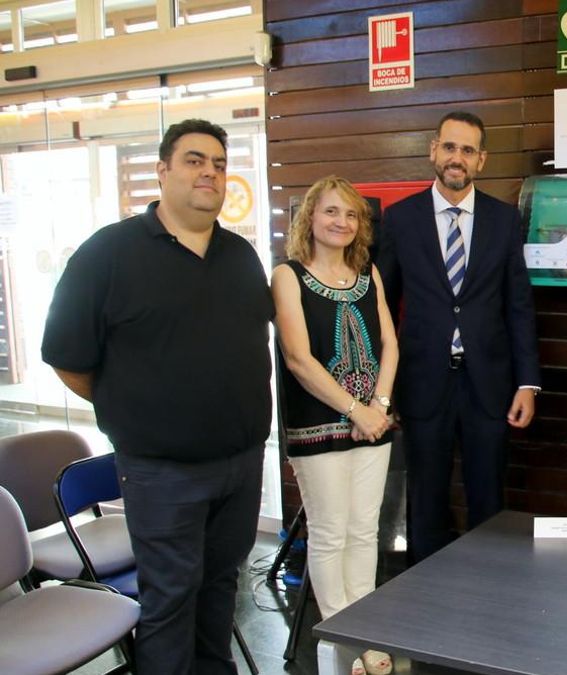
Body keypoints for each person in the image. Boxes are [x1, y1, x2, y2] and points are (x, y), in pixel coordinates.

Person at [41, 118, 273, 673]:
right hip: (162, 472)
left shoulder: (240, 257)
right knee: (170, 601)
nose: (210, 173)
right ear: (163, 171)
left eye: (219, 163)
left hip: (240, 466)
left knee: (221, 591)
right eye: (195, 160)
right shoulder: (107, 256)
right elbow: (68, 359)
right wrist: (137, 405)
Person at [375, 111, 540, 563]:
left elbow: (518, 305)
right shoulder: (400, 220)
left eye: (467, 150)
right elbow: (383, 308)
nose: (457, 157)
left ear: (481, 160)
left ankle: (488, 593)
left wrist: (528, 382)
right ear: (434, 151)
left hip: (489, 384)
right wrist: (382, 394)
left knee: (489, 499)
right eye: (449, 147)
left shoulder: (504, 221)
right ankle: (426, 599)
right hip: (422, 383)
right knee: (425, 499)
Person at [272, 176, 397, 675]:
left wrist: (380, 405)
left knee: (365, 531)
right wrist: (357, 409)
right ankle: (346, 641)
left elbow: (390, 342)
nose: (340, 222)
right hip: (318, 425)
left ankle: (365, 633)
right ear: (310, 218)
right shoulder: (288, 276)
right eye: (330, 212)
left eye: (350, 214)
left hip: (375, 423)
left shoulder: (368, 270)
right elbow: (298, 359)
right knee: (329, 535)